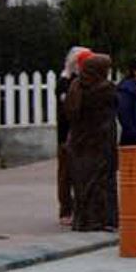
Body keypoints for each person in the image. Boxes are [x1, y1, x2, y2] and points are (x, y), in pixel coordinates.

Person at [65, 53, 118, 231]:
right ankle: (101, 219)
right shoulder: (104, 89)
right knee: (100, 182)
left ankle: (83, 220)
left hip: (79, 141)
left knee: (83, 182)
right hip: (99, 142)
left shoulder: (76, 86)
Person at [55, 45, 89, 225]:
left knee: (81, 172)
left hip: (82, 134)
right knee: (66, 173)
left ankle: (80, 207)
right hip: (67, 133)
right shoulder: (65, 81)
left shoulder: (84, 81)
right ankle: (66, 209)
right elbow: (66, 108)